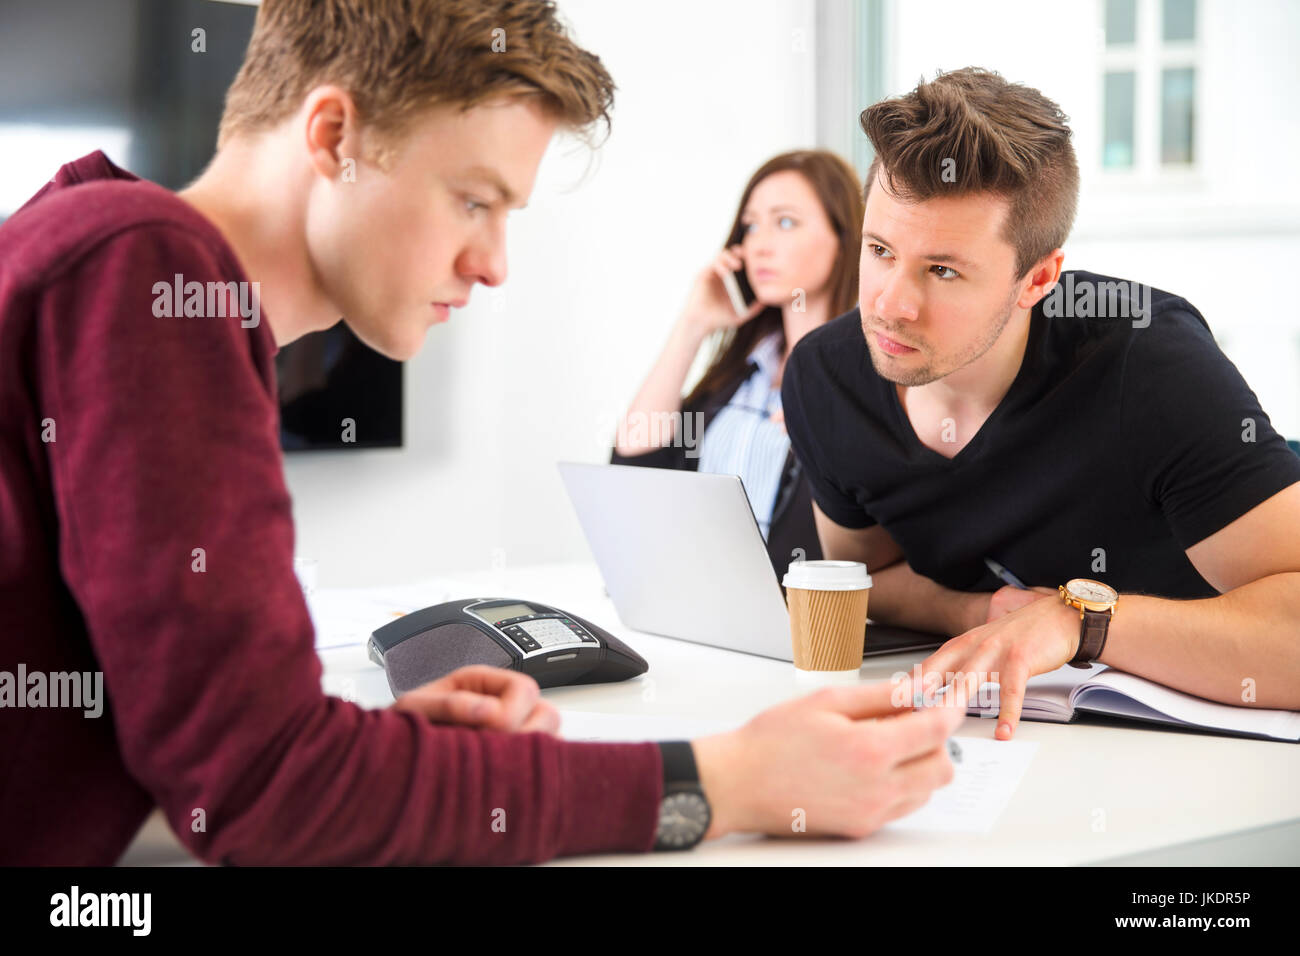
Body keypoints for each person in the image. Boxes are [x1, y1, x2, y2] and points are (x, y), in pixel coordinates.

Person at [0, 0, 962, 866]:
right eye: (474, 200)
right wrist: (733, 781)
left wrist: (364, 753)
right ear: (334, 134)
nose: (496, 265)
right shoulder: (148, 277)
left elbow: (208, 754)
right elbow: (263, 797)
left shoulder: (109, 253)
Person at [780, 68, 1300, 743]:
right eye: (880, 251)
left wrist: (1076, 620)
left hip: (1208, 744)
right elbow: (867, 577)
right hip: (1032, 732)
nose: (888, 306)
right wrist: (988, 615)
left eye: (943, 271)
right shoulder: (828, 378)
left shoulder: (1150, 368)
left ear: (1039, 279)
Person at [611, 150, 863, 576]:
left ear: (843, 239)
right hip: (704, 613)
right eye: (750, 225)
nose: (759, 245)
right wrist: (692, 326)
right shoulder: (741, 376)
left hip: (803, 627)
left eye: (785, 222)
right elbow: (634, 465)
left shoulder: (865, 385)